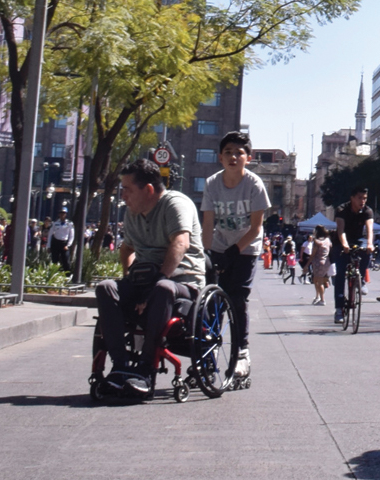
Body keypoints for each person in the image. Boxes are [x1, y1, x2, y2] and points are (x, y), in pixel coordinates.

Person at [93, 157, 207, 399]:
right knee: (105, 288)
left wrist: (157, 281)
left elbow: (181, 242)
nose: (122, 195)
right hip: (145, 281)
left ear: (148, 190)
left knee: (163, 289)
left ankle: (146, 368)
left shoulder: (175, 204)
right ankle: (121, 365)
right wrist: (128, 278)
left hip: (182, 282)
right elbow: (126, 249)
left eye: (127, 189)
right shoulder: (133, 213)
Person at [201, 130, 269, 381]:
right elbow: (208, 223)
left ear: (248, 158)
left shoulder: (254, 185)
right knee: (211, 300)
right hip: (219, 244)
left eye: (239, 153)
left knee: (237, 297)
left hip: (246, 247)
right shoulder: (212, 184)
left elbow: (256, 227)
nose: (233, 157)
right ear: (220, 157)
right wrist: (207, 254)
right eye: (228, 152)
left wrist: (235, 250)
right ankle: (208, 354)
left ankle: (242, 352)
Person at [331, 187, 375, 323]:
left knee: (367, 252)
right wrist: (344, 244)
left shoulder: (367, 211)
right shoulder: (342, 209)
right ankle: (339, 309)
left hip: (358, 239)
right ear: (352, 198)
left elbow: (369, 229)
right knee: (340, 275)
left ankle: (360, 279)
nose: (363, 201)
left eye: (365, 198)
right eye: (360, 198)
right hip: (341, 240)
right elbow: (341, 230)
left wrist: (370, 244)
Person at [308, 230, 332, 305]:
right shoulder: (328, 240)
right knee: (316, 280)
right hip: (326, 262)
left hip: (318, 263)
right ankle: (318, 296)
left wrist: (307, 265)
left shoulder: (317, 242)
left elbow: (313, 254)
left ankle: (322, 299)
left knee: (319, 281)